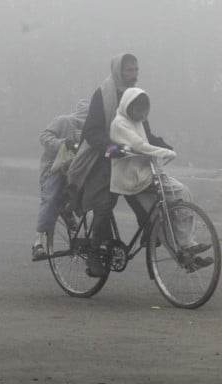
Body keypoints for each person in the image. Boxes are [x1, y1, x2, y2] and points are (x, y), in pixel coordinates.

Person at [67, 53, 172, 277]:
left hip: (128, 159)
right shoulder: (103, 95)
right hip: (103, 160)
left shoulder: (135, 97)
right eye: (129, 71)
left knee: (143, 195)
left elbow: (144, 133)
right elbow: (91, 131)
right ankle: (95, 254)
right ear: (118, 72)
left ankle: (149, 232)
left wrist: (163, 146)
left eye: (136, 71)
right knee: (104, 205)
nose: (133, 76)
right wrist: (109, 145)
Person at [109, 87, 212, 266]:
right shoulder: (119, 123)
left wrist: (166, 148)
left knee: (183, 193)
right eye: (138, 110)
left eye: (144, 110)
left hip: (148, 174)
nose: (142, 114)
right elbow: (139, 145)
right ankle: (184, 259)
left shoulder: (138, 122)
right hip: (131, 180)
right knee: (160, 220)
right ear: (127, 107)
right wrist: (165, 152)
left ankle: (187, 245)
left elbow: (148, 140)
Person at [31, 99, 89, 261]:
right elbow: (44, 136)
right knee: (49, 200)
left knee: (81, 202)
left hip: (75, 170)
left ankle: (77, 234)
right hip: (54, 168)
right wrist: (61, 143)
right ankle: (37, 243)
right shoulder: (64, 121)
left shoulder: (91, 129)